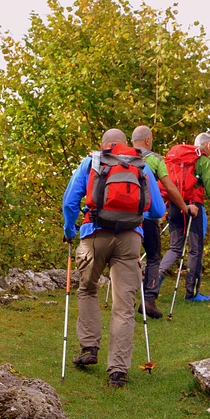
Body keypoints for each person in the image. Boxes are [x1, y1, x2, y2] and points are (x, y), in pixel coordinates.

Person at [62, 128, 165, 388]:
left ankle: (89, 348)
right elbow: (158, 209)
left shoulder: (92, 161)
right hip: (130, 239)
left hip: (94, 233)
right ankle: (118, 371)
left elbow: (70, 202)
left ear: (104, 144)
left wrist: (69, 230)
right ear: (125, 143)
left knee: (87, 289)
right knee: (123, 306)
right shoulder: (141, 164)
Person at [157, 132, 210, 303]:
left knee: (175, 248)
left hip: (174, 205)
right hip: (193, 207)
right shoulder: (203, 161)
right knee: (195, 250)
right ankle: (192, 293)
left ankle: (155, 282)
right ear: (209, 145)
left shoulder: (175, 159)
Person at [130, 125, 194, 319]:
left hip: (125, 217)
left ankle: (125, 297)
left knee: (127, 256)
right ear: (148, 140)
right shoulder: (155, 159)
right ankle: (148, 299)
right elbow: (169, 187)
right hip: (147, 217)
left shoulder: (122, 157)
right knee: (153, 256)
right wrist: (184, 207)